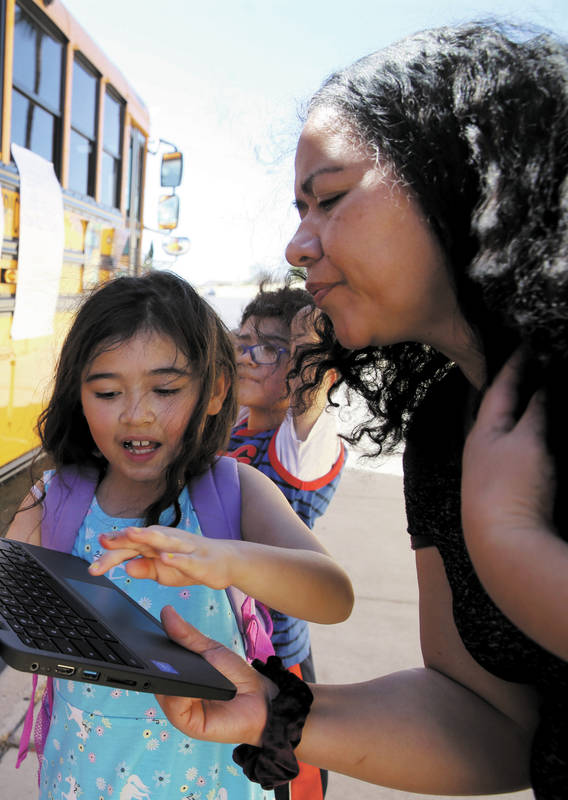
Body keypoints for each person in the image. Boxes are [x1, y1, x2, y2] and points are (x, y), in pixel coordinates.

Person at [98, 22, 568, 797]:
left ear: (468, 184)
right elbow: (486, 720)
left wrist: (512, 547)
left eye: (330, 199)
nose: (296, 245)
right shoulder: (447, 429)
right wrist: (273, 711)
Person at [0, 271, 354, 800]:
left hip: (214, 784)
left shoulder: (234, 492)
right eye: (107, 391)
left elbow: (332, 595)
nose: (135, 413)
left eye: (165, 389)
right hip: (83, 782)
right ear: (78, 395)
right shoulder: (55, 501)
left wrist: (227, 559)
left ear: (215, 391)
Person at [227, 288, 345, 800]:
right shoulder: (231, 429)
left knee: (282, 781)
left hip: (274, 660)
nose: (249, 357)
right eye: (243, 341)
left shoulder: (301, 449)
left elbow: (311, 390)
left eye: (271, 348)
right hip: (223, 643)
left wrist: (314, 347)